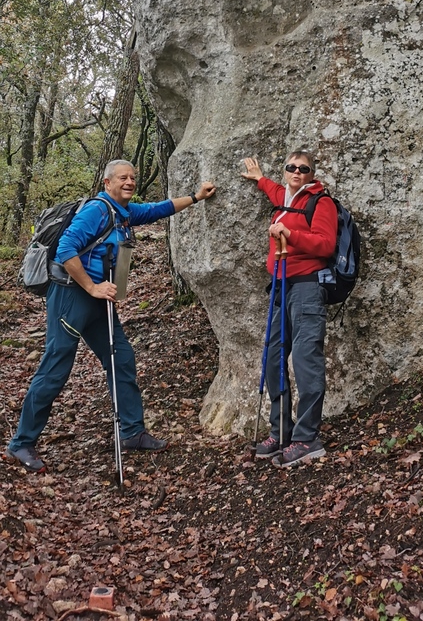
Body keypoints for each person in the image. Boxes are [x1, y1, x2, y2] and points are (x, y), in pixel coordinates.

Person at [7, 160, 216, 473]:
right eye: (123, 177)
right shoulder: (98, 210)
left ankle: (132, 432)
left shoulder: (125, 212)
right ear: (107, 182)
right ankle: (21, 443)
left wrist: (196, 196)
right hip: (71, 295)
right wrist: (91, 287)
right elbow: (66, 250)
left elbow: (160, 209)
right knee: (56, 367)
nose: (129, 181)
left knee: (121, 359)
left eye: (133, 176)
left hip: (98, 301)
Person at [242, 149, 337, 468]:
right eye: (291, 168)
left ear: (312, 174)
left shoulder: (320, 202)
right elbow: (276, 190)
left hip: (308, 287)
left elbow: (326, 244)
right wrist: (260, 180)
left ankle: (307, 438)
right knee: (272, 357)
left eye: (304, 169)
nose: (296, 172)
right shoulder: (285, 196)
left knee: (306, 357)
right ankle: (281, 431)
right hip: (280, 286)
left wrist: (290, 235)